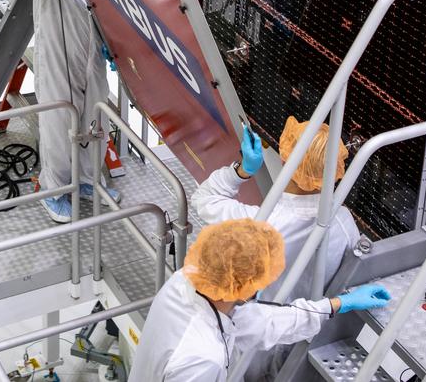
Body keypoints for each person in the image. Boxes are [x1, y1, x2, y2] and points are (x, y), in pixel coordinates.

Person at [128, 219, 389, 381]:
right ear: (242, 290)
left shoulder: (185, 281)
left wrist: (336, 305)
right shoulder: (204, 358)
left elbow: (260, 321)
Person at [19, 0, 119, 223]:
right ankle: (54, 190)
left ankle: (88, 180)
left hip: (91, 58)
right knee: (59, 125)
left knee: (96, 120)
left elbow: (104, 10)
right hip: (57, 56)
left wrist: (111, 44)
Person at [192, 115, 358, 302]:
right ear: (335, 169)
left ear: (284, 159)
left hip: (263, 314)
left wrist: (243, 169)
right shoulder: (344, 221)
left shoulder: (261, 223)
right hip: (321, 315)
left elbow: (204, 199)